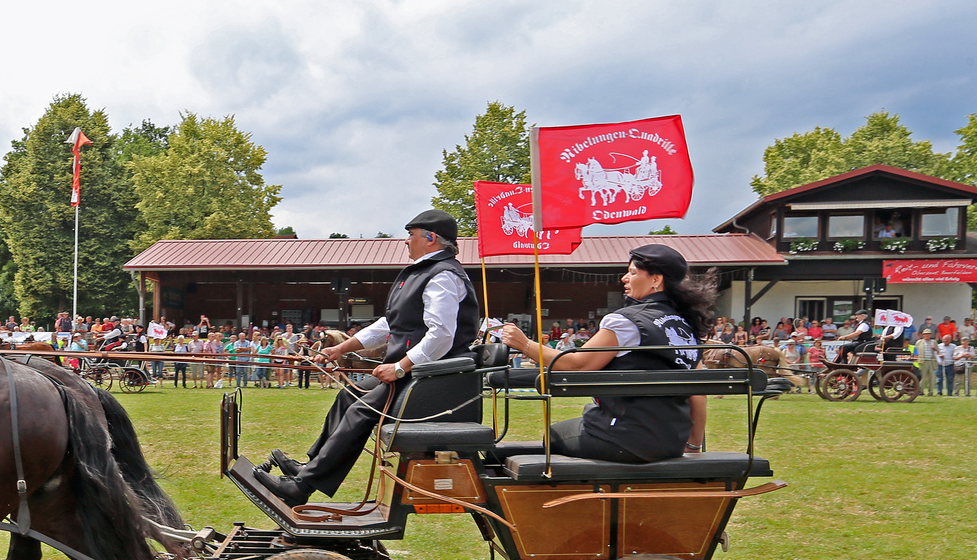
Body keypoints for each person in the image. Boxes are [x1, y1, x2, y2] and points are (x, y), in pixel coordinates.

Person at [255, 209, 478, 505]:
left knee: (361, 410)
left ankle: (302, 487)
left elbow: (441, 335)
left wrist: (400, 367)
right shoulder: (422, 273)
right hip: (419, 374)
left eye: (411, 235)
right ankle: (311, 467)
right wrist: (340, 348)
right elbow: (389, 325)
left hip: (431, 378)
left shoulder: (444, 276)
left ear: (431, 239)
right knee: (350, 396)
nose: (406, 241)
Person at [498, 243, 712, 463]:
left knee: (552, 435)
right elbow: (699, 395)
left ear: (656, 279)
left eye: (632, 272)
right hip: (671, 443)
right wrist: (693, 447)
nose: (624, 278)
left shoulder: (627, 322)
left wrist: (524, 344)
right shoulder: (686, 326)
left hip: (625, 438)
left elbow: (576, 365)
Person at [915, 330, 938, 396]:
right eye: (925, 334)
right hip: (923, 361)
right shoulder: (919, 342)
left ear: (930, 335)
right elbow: (916, 351)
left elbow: (938, 351)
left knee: (932, 378)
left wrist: (934, 348)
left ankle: (930, 392)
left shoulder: (934, 342)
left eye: (928, 334)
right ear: (923, 335)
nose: (927, 335)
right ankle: (920, 391)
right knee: (922, 378)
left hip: (931, 361)